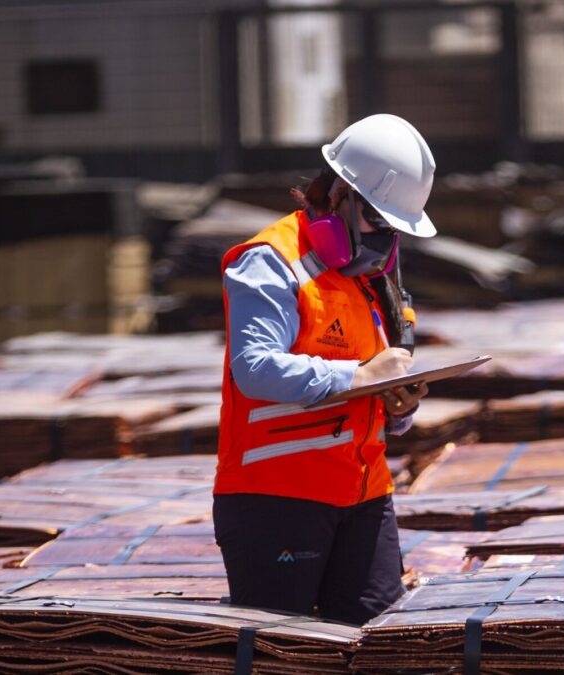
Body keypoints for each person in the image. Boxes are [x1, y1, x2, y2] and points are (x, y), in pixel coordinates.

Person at [213, 114, 437, 625]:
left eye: (391, 227)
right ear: (338, 194)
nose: (381, 238)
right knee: (283, 656)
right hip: (274, 503)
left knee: (379, 646)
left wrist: (397, 407)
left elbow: (374, 385)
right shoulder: (270, 261)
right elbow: (255, 367)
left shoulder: (373, 284)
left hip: (365, 497)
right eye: (376, 219)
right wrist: (362, 377)